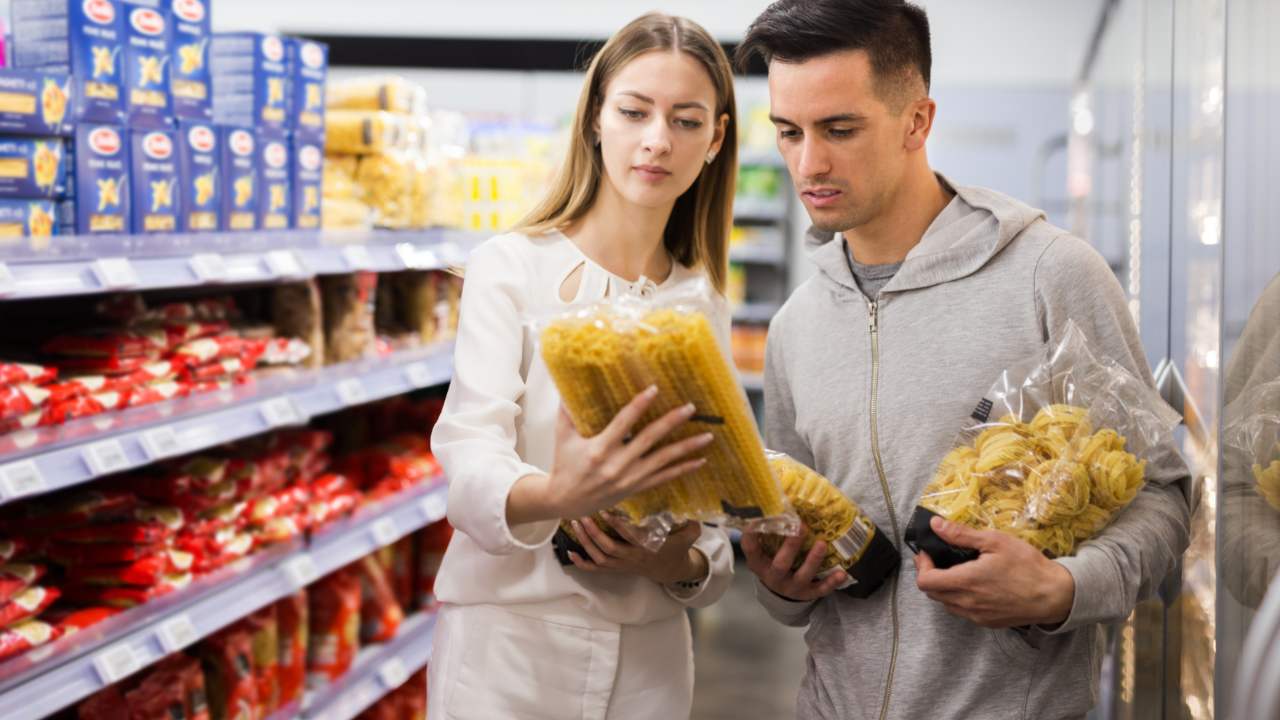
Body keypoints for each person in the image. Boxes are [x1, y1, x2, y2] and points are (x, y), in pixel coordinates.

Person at [734, 1, 1191, 718]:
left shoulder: (1051, 274)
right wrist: (783, 585)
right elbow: (799, 563)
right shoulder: (798, 324)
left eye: (839, 129)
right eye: (788, 132)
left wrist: (1064, 590)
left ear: (918, 120)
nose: (808, 163)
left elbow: (1164, 496)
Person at [427, 12, 739, 720]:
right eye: (634, 111)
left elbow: (712, 521)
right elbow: (470, 453)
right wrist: (557, 494)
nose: (658, 140)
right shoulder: (509, 268)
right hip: (507, 653)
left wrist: (675, 564)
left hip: (650, 662)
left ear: (716, 139)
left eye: (687, 121)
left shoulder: (703, 303)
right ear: (597, 118)